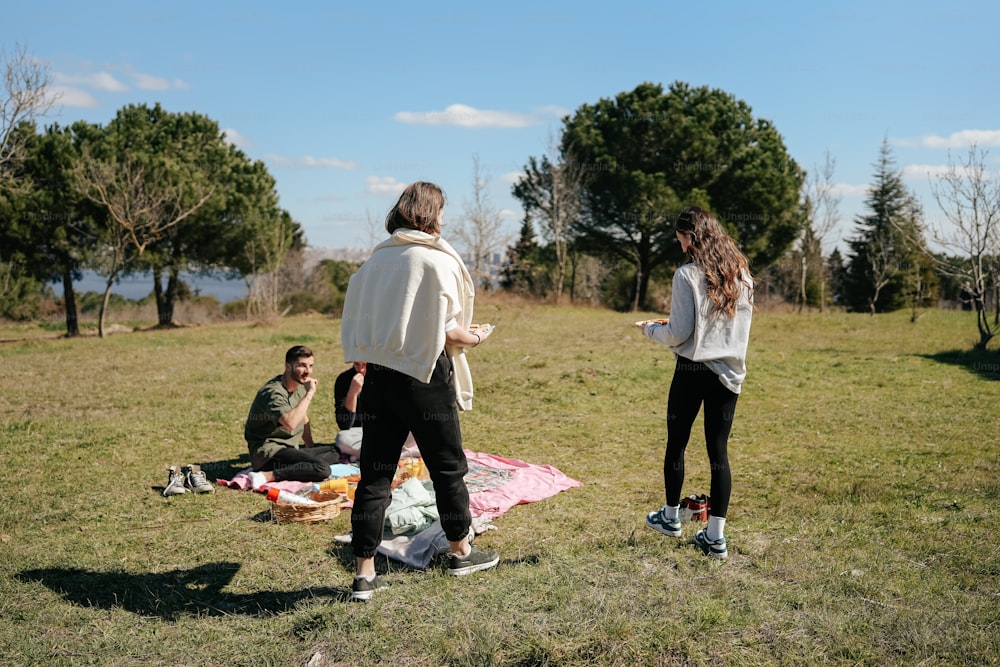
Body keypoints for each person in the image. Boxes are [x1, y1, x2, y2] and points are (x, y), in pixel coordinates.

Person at [341, 181, 498, 601]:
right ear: (430, 213)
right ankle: (461, 551)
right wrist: (478, 337)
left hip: (378, 377)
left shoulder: (374, 262)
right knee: (448, 468)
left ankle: (364, 572)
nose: (445, 220)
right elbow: (450, 332)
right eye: (442, 211)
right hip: (425, 377)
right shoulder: (435, 261)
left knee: (375, 475)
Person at [636, 205, 753, 560]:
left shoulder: (686, 275)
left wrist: (650, 330)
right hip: (728, 373)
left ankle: (671, 517)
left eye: (681, 238)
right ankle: (716, 537)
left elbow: (679, 333)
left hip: (691, 370)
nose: (680, 244)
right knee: (719, 454)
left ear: (690, 237)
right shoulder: (742, 274)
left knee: (677, 443)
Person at [243, 345, 341, 488]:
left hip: (289, 448)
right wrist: (310, 394)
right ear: (288, 366)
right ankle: (266, 475)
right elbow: (290, 423)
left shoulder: (299, 386)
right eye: (302, 365)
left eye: (311, 366)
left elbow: (303, 417)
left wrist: (310, 446)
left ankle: (302, 464)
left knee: (334, 452)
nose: (308, 371)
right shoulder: (273, 393)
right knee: (322, 469)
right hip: (268, 452)